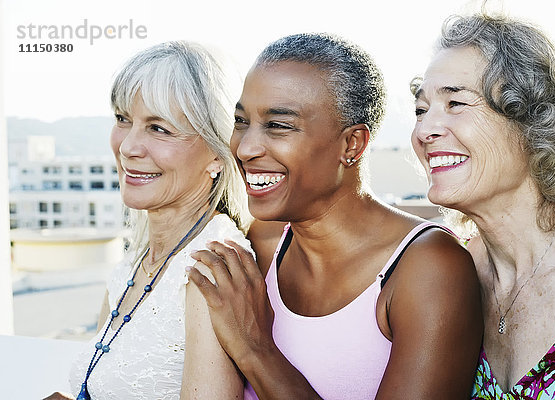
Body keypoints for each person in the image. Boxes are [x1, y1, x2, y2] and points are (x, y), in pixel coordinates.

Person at [187, 33, 483, 399]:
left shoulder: (428, 267)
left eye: (278, 125)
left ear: (352, 144)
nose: (245, 148)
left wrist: (255, 349)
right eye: (241, 121)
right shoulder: (258, 244)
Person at [47, 41, 252, 399]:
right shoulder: (134, 262)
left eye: (159, 128)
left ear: (218, 155)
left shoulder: (210, 268)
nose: (128, 147)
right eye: (123, 119)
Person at [410, 13, 555, 399]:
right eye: (421, 109)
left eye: (456, 102)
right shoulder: (450, 274)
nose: (424, 130)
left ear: (532, 120)